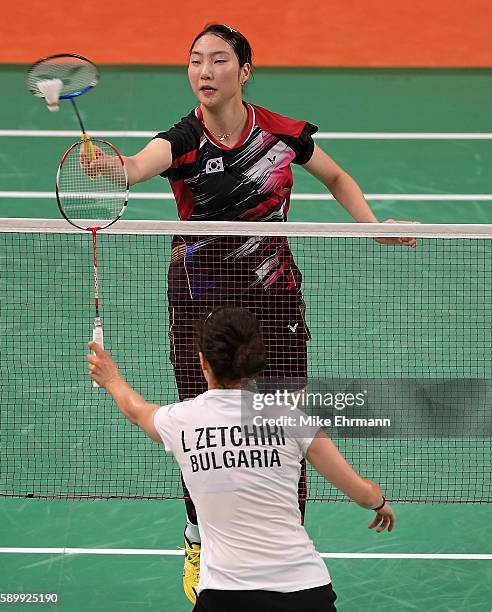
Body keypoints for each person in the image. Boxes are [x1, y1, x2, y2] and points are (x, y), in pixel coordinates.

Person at [86, 23, 414, 604]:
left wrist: (372, 227)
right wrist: (110, 169)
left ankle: (287, 539)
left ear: (244, 71)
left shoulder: (280, 134)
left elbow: (336, 176)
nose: (204, 72)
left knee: (286, 425)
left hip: (275, 301)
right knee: (199, 429)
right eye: (194, 61)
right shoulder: (183, 139)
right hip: (200, 310)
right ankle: (198, 540)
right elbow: (136, 166)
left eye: (217, 61)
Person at [87, 305, 395, 612]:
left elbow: (136, 411)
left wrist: (112, 378)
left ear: (203, 362)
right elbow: (363, 493)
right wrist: (379, 503)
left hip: (225, 596)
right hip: (305, 593)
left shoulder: (180, 421)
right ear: (255, 363)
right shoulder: (291, 419)